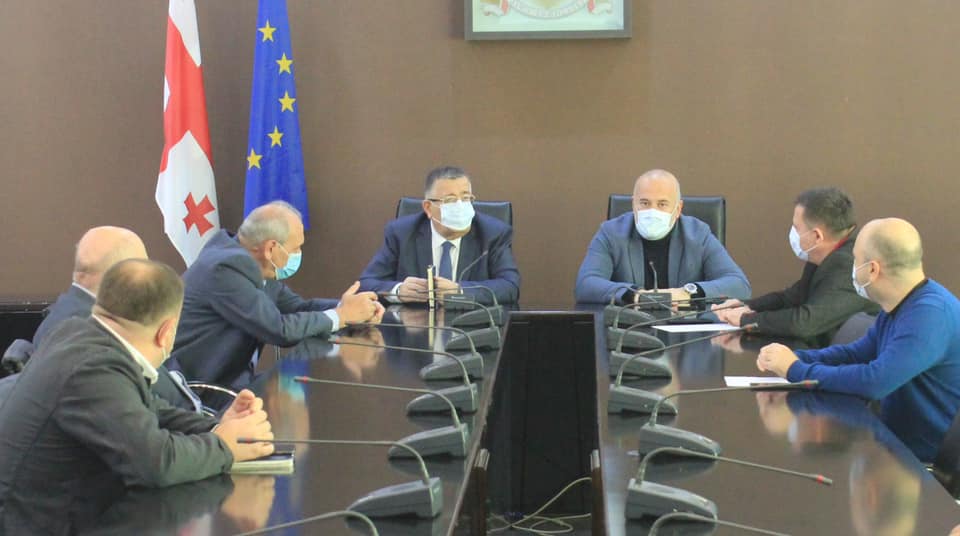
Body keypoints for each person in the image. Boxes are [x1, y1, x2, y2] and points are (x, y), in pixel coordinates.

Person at [0, 259, 275, 530]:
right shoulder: (94, 368)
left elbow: (150, 408)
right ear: (166, 332)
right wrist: (223, 446)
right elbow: (156, 463)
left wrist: (219, 426)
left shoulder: (78, 333)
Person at [757, 218, 960, 462]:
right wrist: (796, 357)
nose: (852, 267)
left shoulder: (930, 315)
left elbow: (874, 381)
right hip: (889, 444)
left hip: (918, 462)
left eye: (855, 259)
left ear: (872, 269)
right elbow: (856, 354)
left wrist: (795, 370)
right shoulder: (902, 304)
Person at [170, 201, 383, 389]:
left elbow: (299, 308)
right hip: (201, 391)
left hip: (235, 381)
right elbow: (278, 330)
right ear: (271, 248)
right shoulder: (225, 270)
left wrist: (354, 309)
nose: (298, 254)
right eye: (296, 248)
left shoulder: (253, 265)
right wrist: (342, 315)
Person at [0, 226, 201, 413]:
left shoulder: (65, 317)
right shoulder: (102, 333)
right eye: (142, 269)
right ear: (121, 275)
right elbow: (168, 407)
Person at [713, 188, 879, 346]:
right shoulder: (825, 256)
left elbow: (804, 323)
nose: (793, 234)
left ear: (817, 236)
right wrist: (746, 306)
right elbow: (791, 298)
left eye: (797, 228)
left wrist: (746, 320)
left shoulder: (848, 263)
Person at [575, 169, 750, 304]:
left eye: (662, 204)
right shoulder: (610, 232)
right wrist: (633, 295)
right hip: (628, 328)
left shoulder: (698, 234)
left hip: (686, 331)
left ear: (678, 209)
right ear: (633, 204)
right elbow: (585, 284)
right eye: (644, 203)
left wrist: (686, 293)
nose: (652, 211)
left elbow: (739, 285)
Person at [358, 166, 520, 305]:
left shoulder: (493, 233)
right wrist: (398, 291)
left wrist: (459, 291)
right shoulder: (401, 233)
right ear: (428, 208)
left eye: (465, 198)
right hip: (414, 326)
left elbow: (510, 286)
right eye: (449, 200)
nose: (460, 206)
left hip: (472, 326)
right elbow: (366, 284)